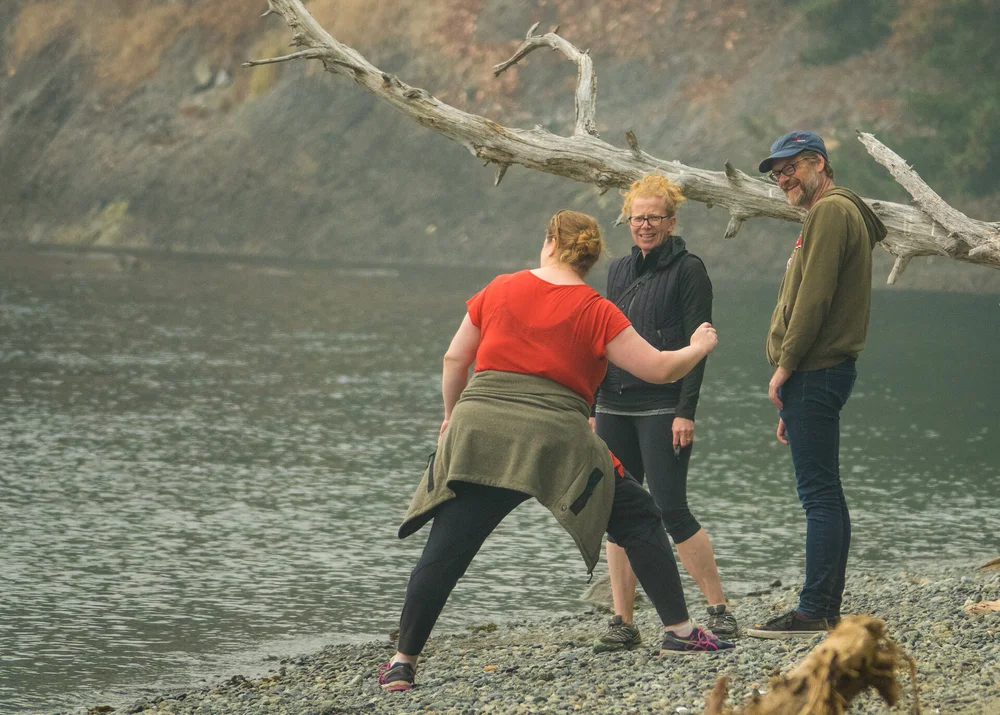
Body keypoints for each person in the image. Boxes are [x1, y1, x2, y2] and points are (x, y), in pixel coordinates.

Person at [377, 210, 734, 692]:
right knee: (638, 515)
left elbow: (454, 359)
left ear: (550, 241)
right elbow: (658, 369)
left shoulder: (499, 288)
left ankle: (403, 662)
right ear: (588, 258)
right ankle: (681, 632)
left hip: (480, 432)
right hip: (557, 439)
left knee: (446, 549)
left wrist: (450, 416)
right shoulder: (595, 308)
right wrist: (698, 346)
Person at [745, 131, 886, 639]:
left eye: (791, 169)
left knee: (819, 495)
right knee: (827, 492)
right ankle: (822, 606)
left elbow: (814, 299)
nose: (783, 179)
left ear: (818, 164)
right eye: (777, 173)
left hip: (815, 370)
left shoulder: (830, 212)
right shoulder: (836, 213)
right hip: (823, 372)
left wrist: (785, 367)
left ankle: (814, 611)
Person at [591, 174, 738, 652]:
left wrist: (685, 411)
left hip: (662, 406)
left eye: (655, 217)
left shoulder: (689, 269)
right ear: (628, 221)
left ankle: (719, 610)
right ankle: (623, 622)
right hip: (613, 404)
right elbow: (604, 341)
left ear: (672, 221)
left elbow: (700, 342)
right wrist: (592, 407)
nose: (646, 225)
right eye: (638, 218)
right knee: (619, 512)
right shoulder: (616, 270)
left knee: (672, 509)